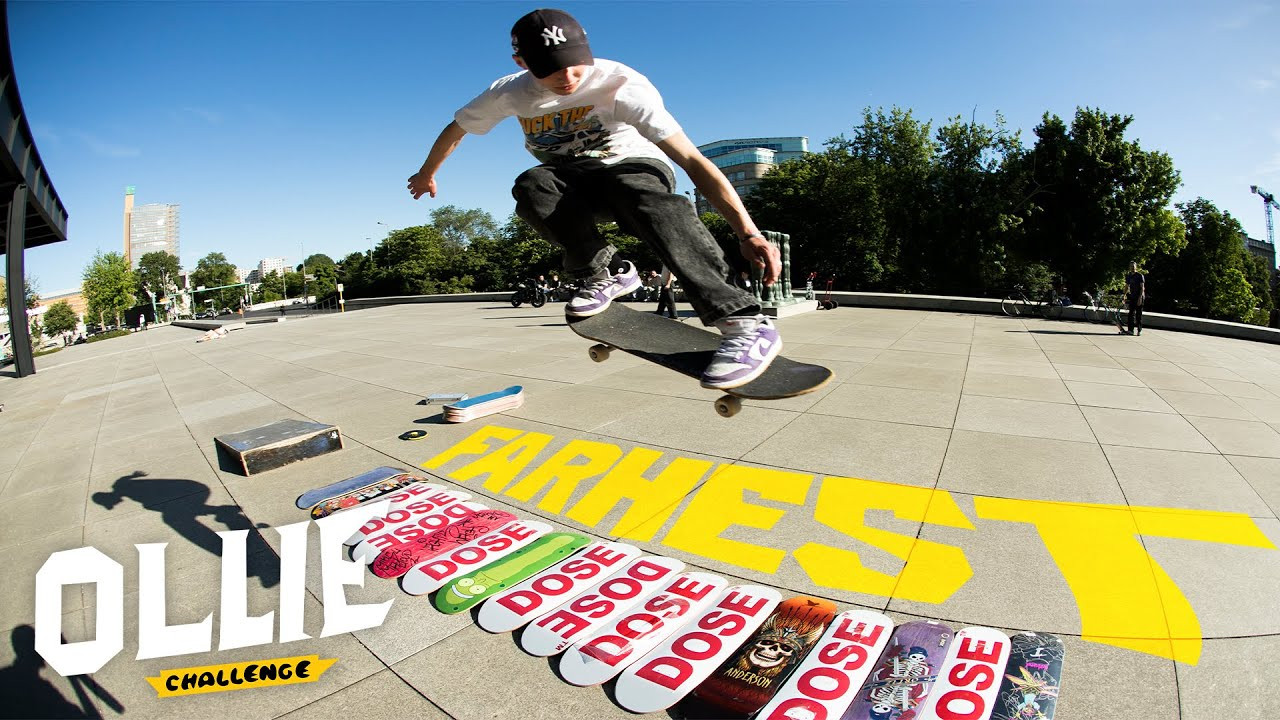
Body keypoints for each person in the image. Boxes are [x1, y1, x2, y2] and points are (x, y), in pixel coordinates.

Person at [407, 8, 782, 389]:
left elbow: (692, 160)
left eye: (575, 66)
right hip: (572, 181)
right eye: (550, 70)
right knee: (532, 186)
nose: (566, 78)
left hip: (633, 167)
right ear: (521, 62)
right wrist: (427, 172)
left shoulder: (622, 85)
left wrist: (748, 233)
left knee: (642, 199)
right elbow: (457, 129)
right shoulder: (508, 91)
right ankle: (608, 272)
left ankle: (744, 321)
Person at [1123, 261, 1145, 335]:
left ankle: (1139, 330)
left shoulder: (1140, 275)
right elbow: (1126, 286)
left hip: (1139, 296)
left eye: (1133, 266)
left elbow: (1142, 288)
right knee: (1131, 314)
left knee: (1138, 315)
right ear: (1129, 267)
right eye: (1131, 266)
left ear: (1136, 267)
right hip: (1132, 296)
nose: (1132, 267)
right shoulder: (1129, 276)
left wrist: (1140, 298)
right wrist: (1124, 295)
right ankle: (1131, 330)